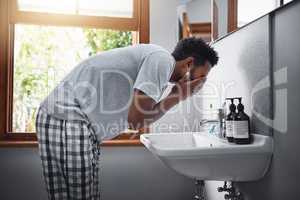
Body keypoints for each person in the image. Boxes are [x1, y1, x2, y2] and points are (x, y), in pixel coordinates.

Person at [35, 37, 218, 199]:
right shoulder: (162, 61)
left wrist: (175, 95)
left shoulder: (159, 64)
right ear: (189, 64)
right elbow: (137, 121)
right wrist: (178, 96)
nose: (200, 84)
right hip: (67, 114)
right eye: (201, 77)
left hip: (69, 118)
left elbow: (137, 120)